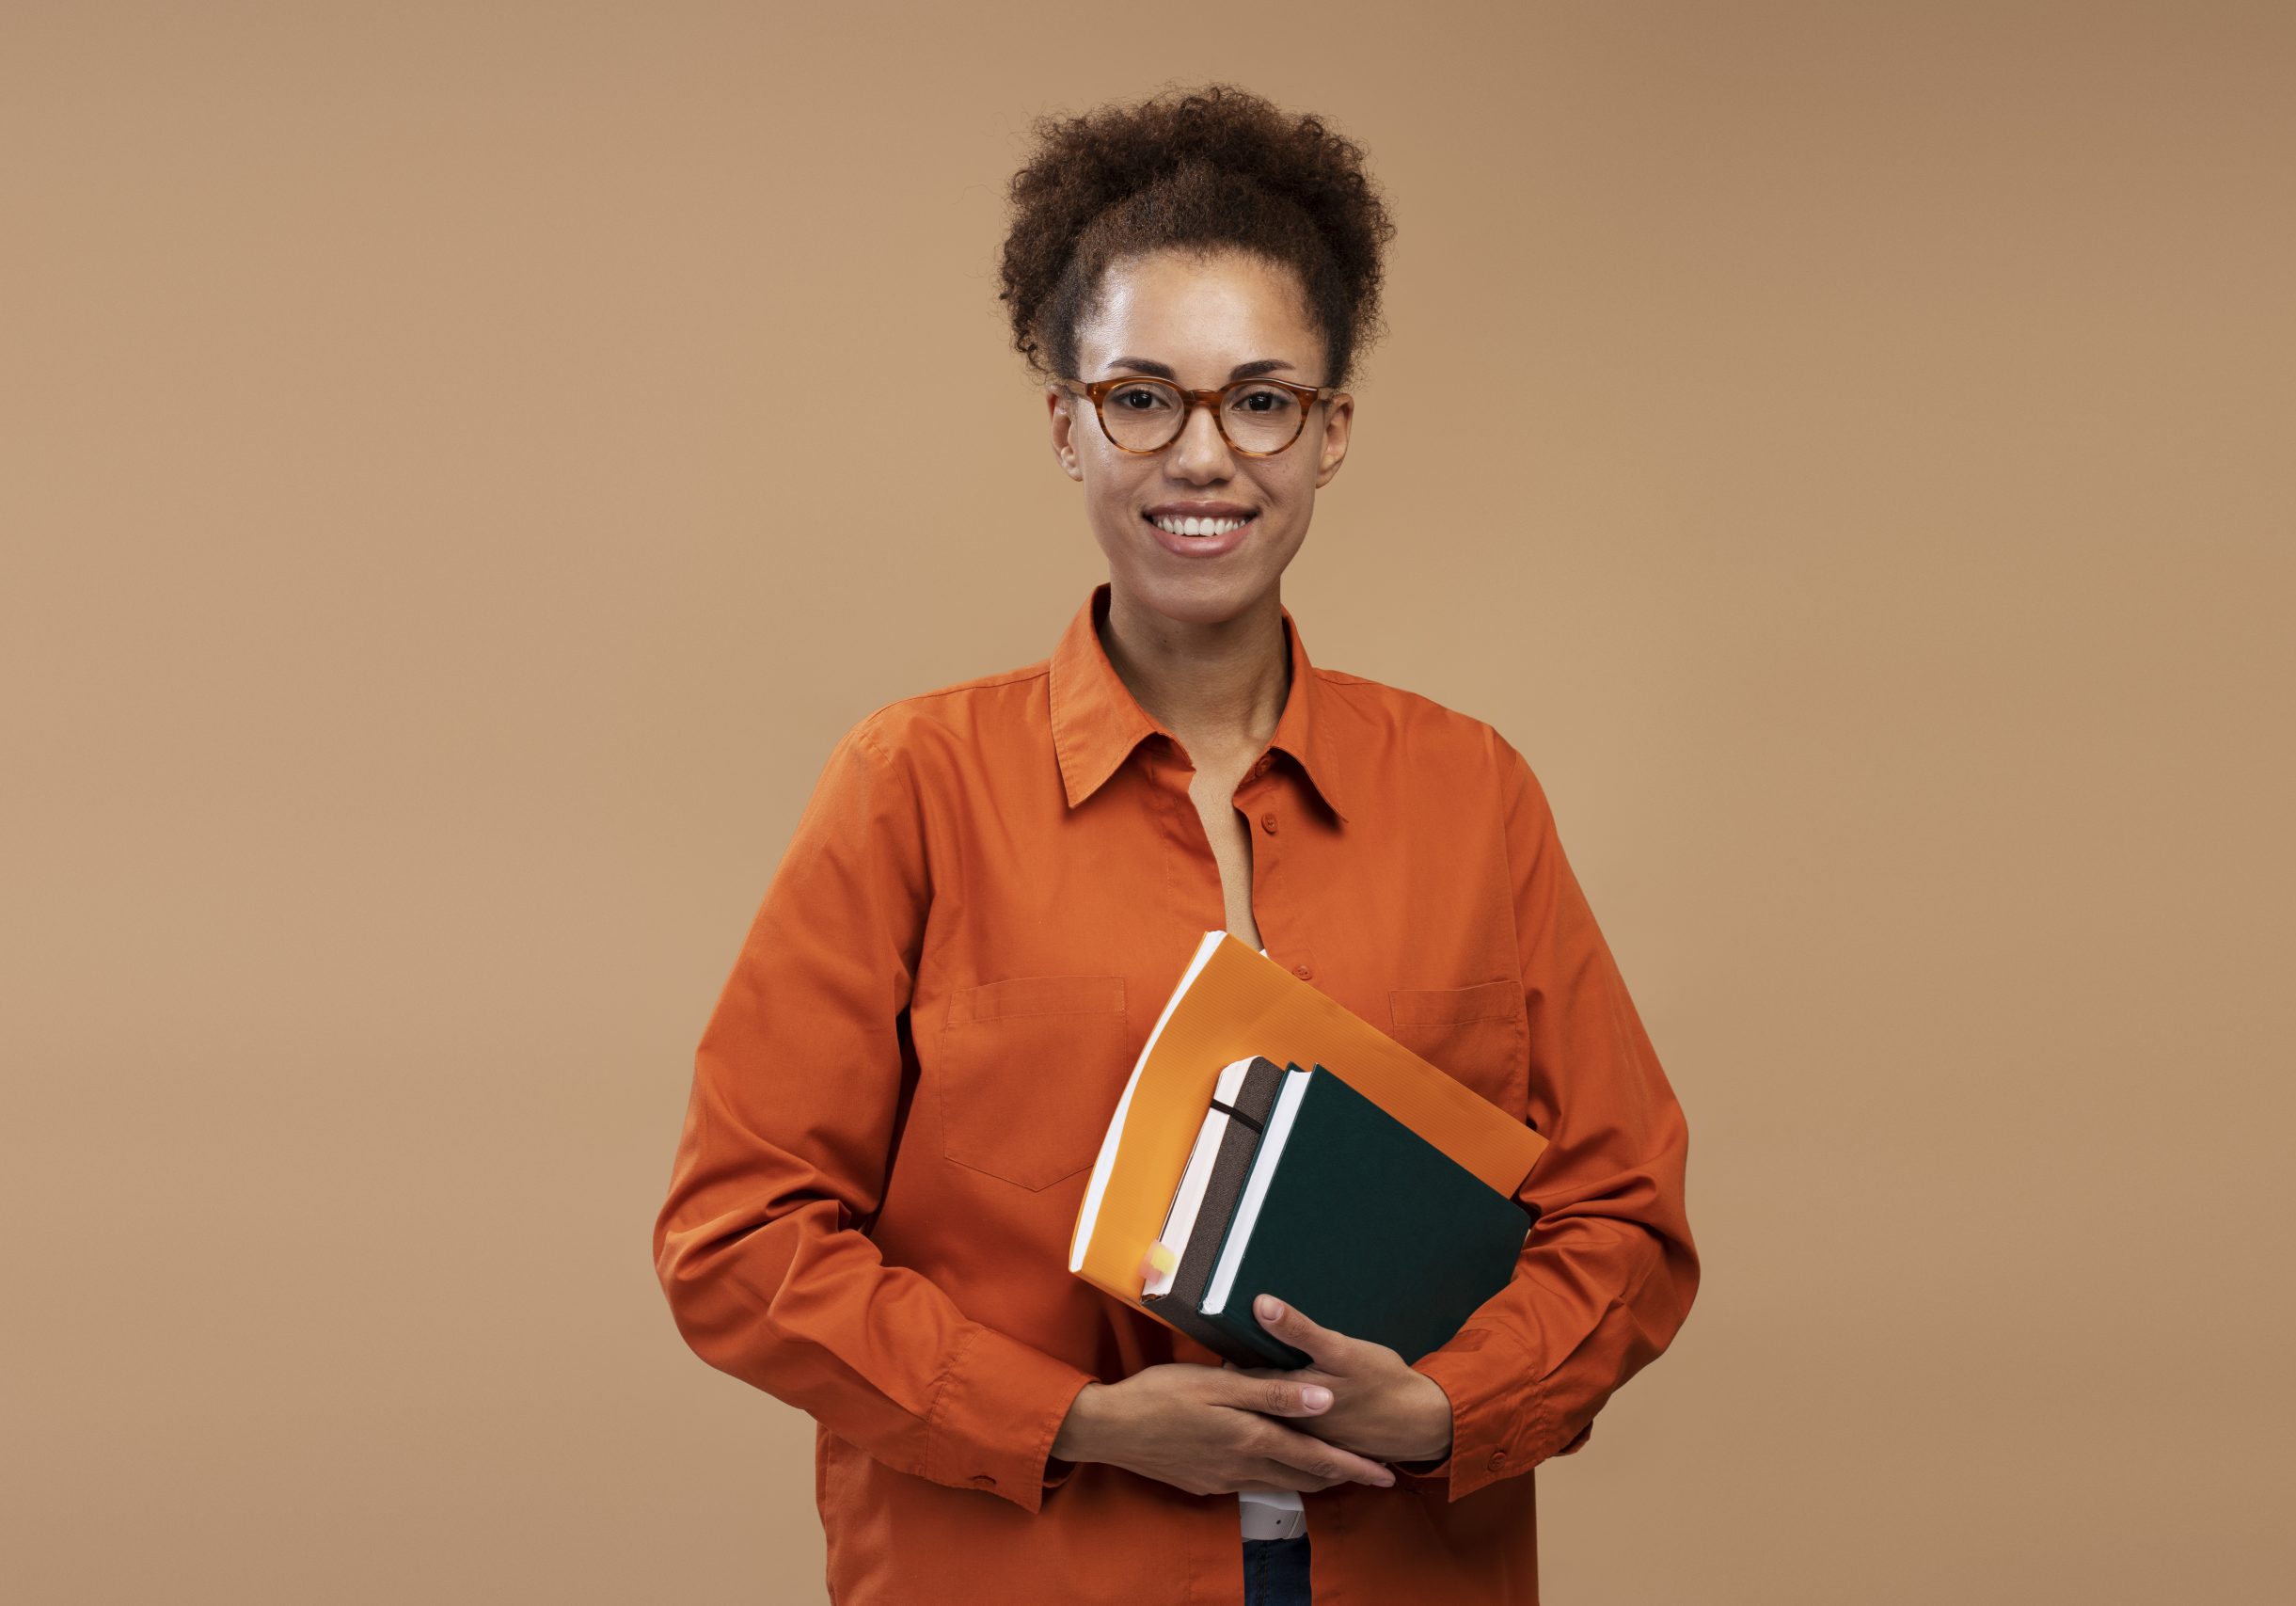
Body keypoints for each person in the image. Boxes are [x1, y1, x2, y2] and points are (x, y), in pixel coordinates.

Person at [652, 83, 1701, 1606]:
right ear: (1068, 424)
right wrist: (1076, 1423)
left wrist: (1455, 1410)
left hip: (1399, 1570)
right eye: (1144, 397)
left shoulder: (1476, 793)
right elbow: (735, 1235)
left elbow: (1626, 1219)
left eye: (1259, 398)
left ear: (1330, 430)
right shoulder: (913, 786)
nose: (1203, 457)